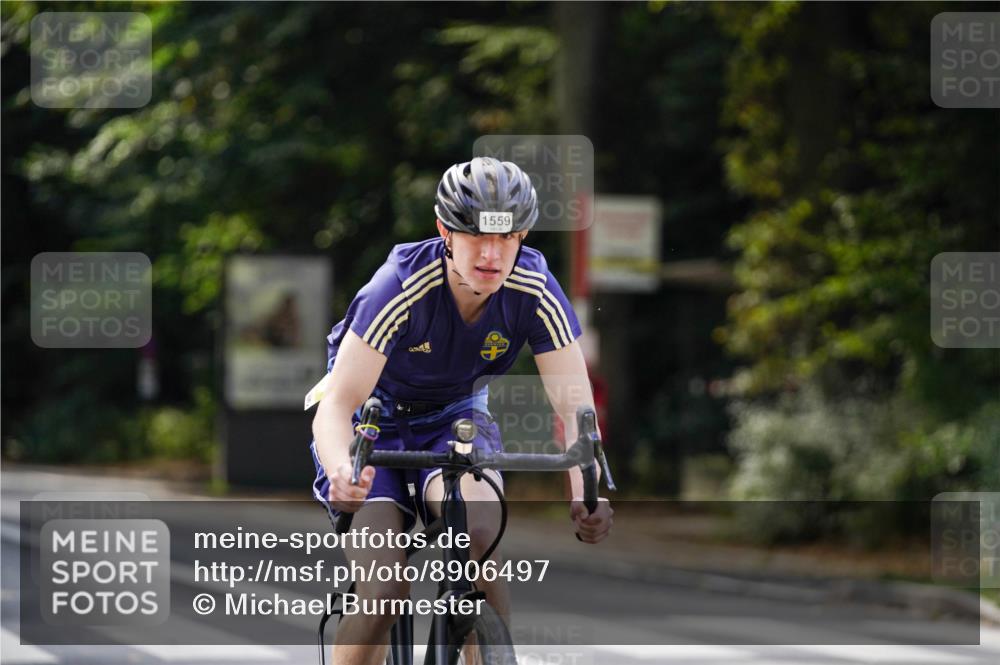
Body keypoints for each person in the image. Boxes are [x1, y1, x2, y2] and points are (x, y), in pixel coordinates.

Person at [309, 156, 613, 665]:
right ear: (445, 232)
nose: (492, 254)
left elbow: (575, 406)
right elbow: (338, 404)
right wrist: (343, 469)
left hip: (455, 418)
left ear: (524, 236)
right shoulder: (399, 286)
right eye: (476, 236)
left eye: (508, 238)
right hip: (372, 422)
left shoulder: (534, 288)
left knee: (478, 538)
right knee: (384, 587)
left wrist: (586, 490)